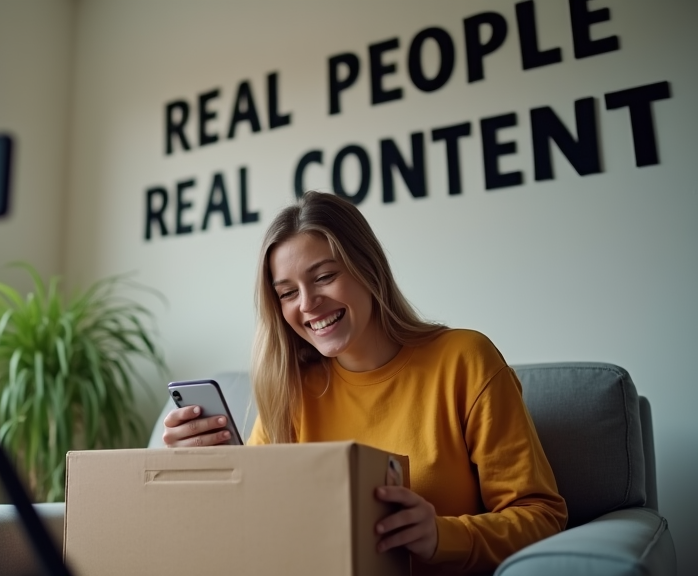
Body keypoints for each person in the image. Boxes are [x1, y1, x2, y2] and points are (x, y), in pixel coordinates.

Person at [162, 191, 567, 575]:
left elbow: (543, 517)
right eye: (287, 293)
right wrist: (199, 472)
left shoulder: (464, 360)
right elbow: (248, 526)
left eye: (323, 276)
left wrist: (443, 535)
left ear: (367, 267)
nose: (306, 304)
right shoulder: (292, 389)